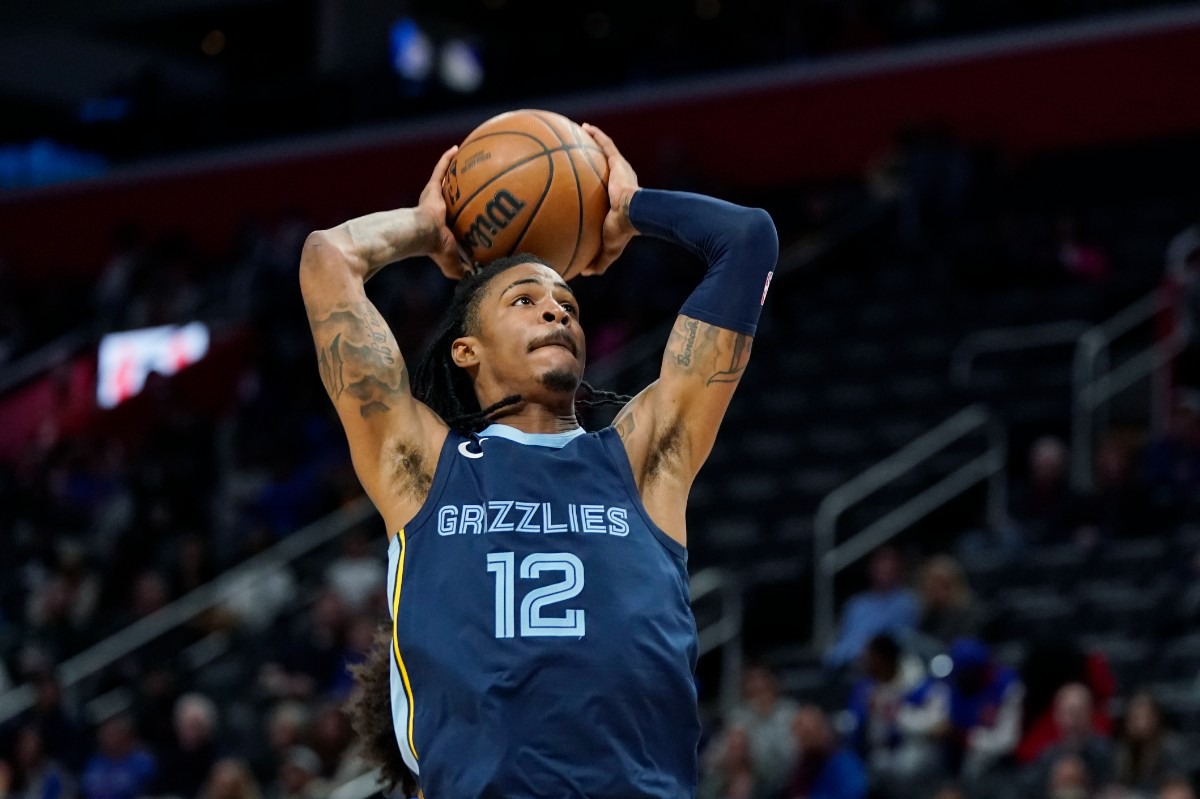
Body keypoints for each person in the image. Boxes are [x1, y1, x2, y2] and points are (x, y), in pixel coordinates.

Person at [299, 124, 778, 798]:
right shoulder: (422, 465)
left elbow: (748, 239)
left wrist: (631, 208)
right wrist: (427, 228)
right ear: (466, 350)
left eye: (567, 305)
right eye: (525, 301)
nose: (556, 312)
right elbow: (328, 259)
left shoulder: (643, 458)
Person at [825, 546, 919, 669]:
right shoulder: (856, 603)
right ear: (870, 570)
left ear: (898, 570)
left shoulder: (907, 603)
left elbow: (899, 640)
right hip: (846, 665)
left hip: (882, 668)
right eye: (879, 566)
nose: (883, 571)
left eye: (888, 568)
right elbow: (844, 640)